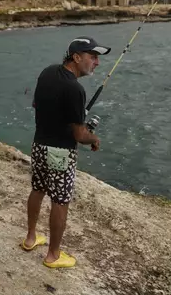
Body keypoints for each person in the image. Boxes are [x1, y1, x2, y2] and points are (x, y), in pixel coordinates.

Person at [21, 36, 111, 268]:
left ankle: (31, 238)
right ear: (77, 57)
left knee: (38, 189)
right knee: (60, 201)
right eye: (93, 57)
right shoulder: (75, 89)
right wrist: (94, 138)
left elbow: (36, 106)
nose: (96, 63)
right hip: (60, 152)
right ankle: (53, 255)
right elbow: (80, 136)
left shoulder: (48, 72)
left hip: (39, 145)